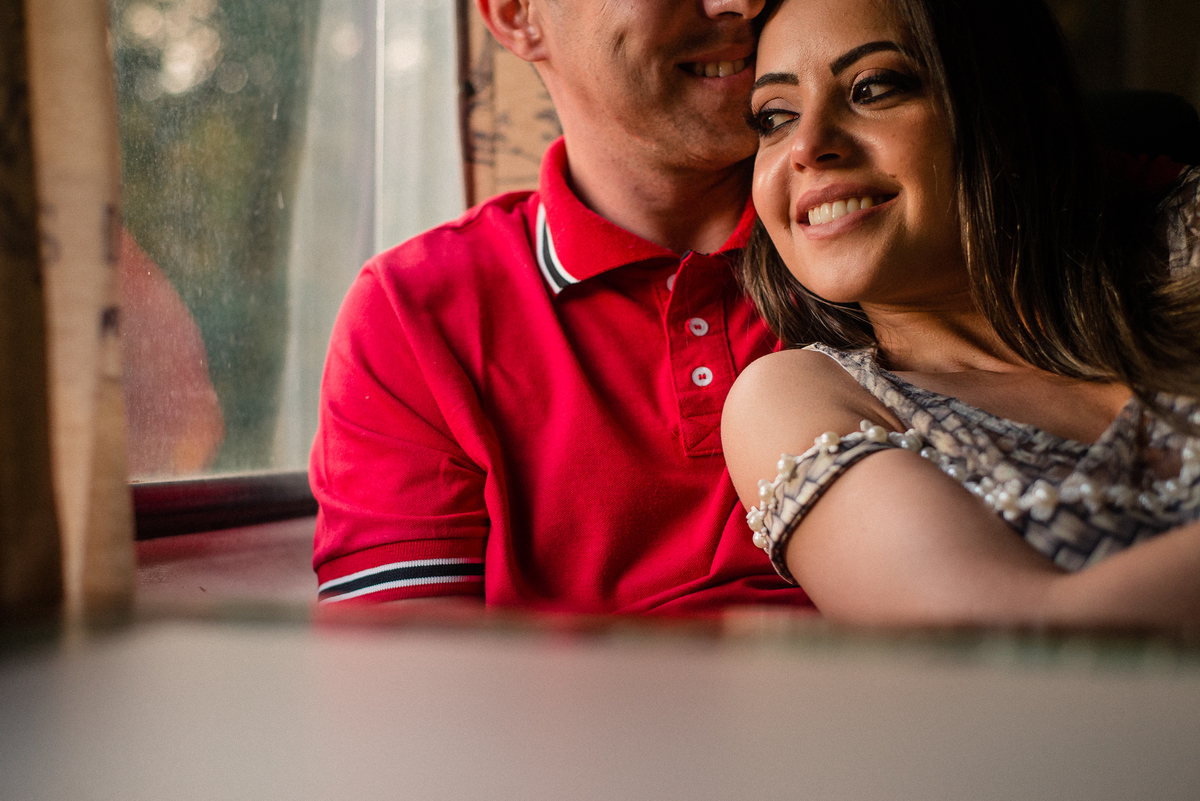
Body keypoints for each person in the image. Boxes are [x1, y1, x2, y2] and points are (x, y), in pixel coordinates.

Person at [310, 0, 814, 611]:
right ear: (517, 14)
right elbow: (415, 686)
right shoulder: (413, 314)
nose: (741, 0)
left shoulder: (893, 247)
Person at [722, 0, 1200, 627]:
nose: (808, 146)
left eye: (874, 88)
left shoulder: (1186, 236)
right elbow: (1000, 648)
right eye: (775, 118)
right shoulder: (796, 399)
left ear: (1016, 106)